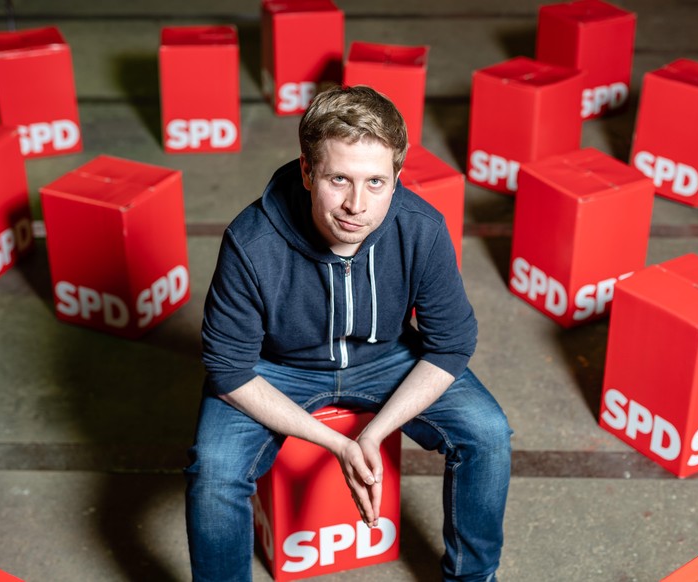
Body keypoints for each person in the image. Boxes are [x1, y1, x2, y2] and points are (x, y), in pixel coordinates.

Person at [185, 85, 512, 581]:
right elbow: (228, 369)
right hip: (275, 368)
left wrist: (373, 433)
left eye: (377, 182)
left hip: (388, 358)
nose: (357, 205)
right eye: (339, 179)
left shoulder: (421, 228)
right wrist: (339, 444)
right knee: (213, 474)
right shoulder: (251, 241)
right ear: (307, 171)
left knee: (488, 433)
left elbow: (451, 343)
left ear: (397, 177)